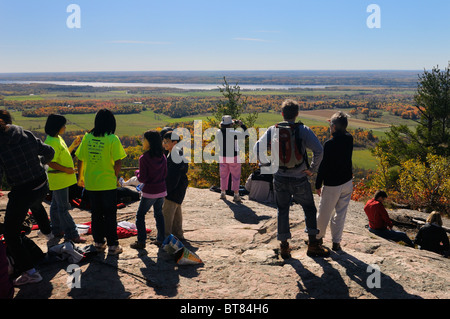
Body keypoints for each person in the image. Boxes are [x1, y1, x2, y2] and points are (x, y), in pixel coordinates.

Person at [254, 99, 328, 259]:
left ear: (282, 114)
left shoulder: (273, 130)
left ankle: (284, 247)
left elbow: (257, 148)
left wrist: (267, 165)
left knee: (282, 210)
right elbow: (319, 150)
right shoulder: (303, 130)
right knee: (309, 209)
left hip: (279, 177)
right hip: (300, 177)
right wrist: (311, 169)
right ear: (297, 114)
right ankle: (313, 245)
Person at [0, 110, 55, 285]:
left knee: (10, 233)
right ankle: (49, 233)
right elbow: (50, 151)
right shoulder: (24, 132)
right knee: (36, 205)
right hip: (41, 183)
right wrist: (39, 163)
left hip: (22, 191)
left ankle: (30, 272)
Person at [75, 109, 127, 255]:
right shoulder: (112, 139)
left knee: (96, 213)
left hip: (91, 183)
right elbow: (118, 161)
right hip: (108, 183)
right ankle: (112, 245)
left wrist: (80, 178)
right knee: (110, 214)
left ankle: (98, 242)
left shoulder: (87, 137)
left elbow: (80, 158)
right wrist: (115, 177)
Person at [314, 112, 354, 252]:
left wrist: (318, 184)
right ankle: (336, 242)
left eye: (331, 125)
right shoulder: (349, 139)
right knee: (340, 214)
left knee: (324, 213)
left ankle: (317, 239)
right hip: (347, 182)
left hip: (332, 185)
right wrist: (337, 124)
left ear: (334, 127)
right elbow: (344, 131)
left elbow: (323, 166)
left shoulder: (330, 144)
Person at [44, 114, 85, 244]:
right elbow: (51, 162)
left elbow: (62, 154)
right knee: (63, 208)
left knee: (56, 205)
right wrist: (67, 170)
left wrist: (72, 146)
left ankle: (56, 229)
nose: (65, 127)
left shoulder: (56, 138)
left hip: (61, 179)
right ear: (57, 127)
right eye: (63, 125)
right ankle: (72, 233)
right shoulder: (51, 142)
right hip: (59, 178)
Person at [130, 130, 167, 249]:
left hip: (150, 191)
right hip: (161, 190)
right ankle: (161, 239)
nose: (142, 142)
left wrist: (137, 173)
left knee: (140, 215)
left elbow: (142, 178)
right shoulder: (162, 156)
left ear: (149, 142)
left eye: (144, 140)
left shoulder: (144, 158)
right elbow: (165, 173)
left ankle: (141, 241)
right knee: (159, 214)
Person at [162, 130, 189, 241]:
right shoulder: (177, 152)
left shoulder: (175, 154)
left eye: (167, 141)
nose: (164, 144)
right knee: (176, 210)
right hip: (180, 187)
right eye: (164, 141)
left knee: (167, 212)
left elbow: (173, 176)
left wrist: (166, 189)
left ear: (174, 142)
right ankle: (178, 234)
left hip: (174, 188)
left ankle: (166, 237)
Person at [217, 115, 247, 203]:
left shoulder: (219, 132)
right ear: (230, 124)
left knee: (223, 175)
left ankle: (223, 192)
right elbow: (246, 135)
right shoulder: (233, 133)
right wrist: (241, 125)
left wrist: (231, 123)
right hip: (233, 156)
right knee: (236, 176)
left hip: (222, 155)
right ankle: (236, 195)